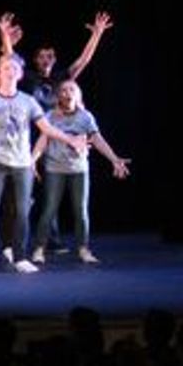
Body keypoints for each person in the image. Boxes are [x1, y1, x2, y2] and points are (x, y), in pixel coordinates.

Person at [0, 17, 93, 273]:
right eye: (4, 68)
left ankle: (19, 256)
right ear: (0, 71)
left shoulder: (29, 101)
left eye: (13, 68)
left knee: (21, 213)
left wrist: (70, 138)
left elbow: (46, 128)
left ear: (18, 73)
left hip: (22, 163)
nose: (9, 71)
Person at [30, 80, 131, 264]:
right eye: (63, 90)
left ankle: (83, 248)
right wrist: (32, 160)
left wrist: (114, 158)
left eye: (71, 89)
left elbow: (98, 139)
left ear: (78, 95)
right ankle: (39, 248)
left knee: (81, 210)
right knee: (49, 209)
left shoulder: (85, 117)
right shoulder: (50, 116)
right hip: (55, 168)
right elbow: (43, 140)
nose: (67, 93)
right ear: (58, 95)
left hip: (79, 169)